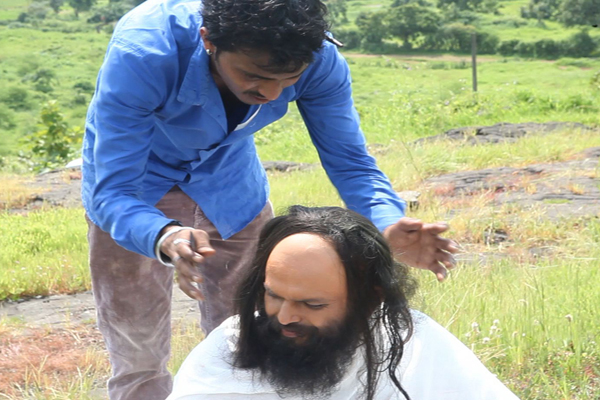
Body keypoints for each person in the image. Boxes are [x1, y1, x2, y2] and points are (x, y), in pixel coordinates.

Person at [82, 0, 458, 399]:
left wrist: (384, 221)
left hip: (229, 182)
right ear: (209, 41)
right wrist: (163, 234)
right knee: (136, 344)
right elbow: (114, 191)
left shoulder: (318, 57)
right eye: (254, 76)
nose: (271, 93)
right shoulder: (145, 52)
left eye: (288, 79)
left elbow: (350, 159)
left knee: (253, 332)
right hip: (137, 188)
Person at [167, 206, 519, 400]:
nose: (285, 317)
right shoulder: (224, 354)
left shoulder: (415, 347)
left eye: (312, 305)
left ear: (369, 302)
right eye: (273, 295)